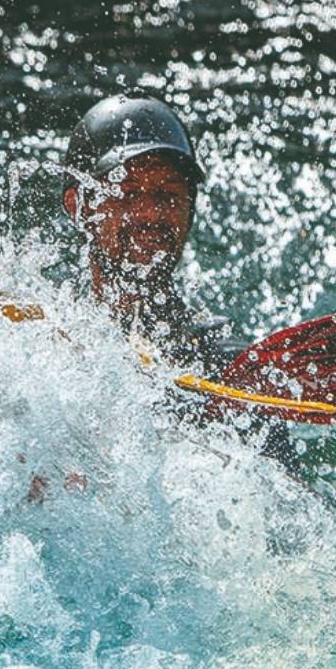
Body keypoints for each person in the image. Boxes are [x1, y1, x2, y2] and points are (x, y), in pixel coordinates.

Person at [61, 95, 297, 468]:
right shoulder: (29, 339)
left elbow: (291, 510)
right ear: (78, 208)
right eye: (127, 192)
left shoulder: (232, 369)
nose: (151, 212)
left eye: (168, 194)